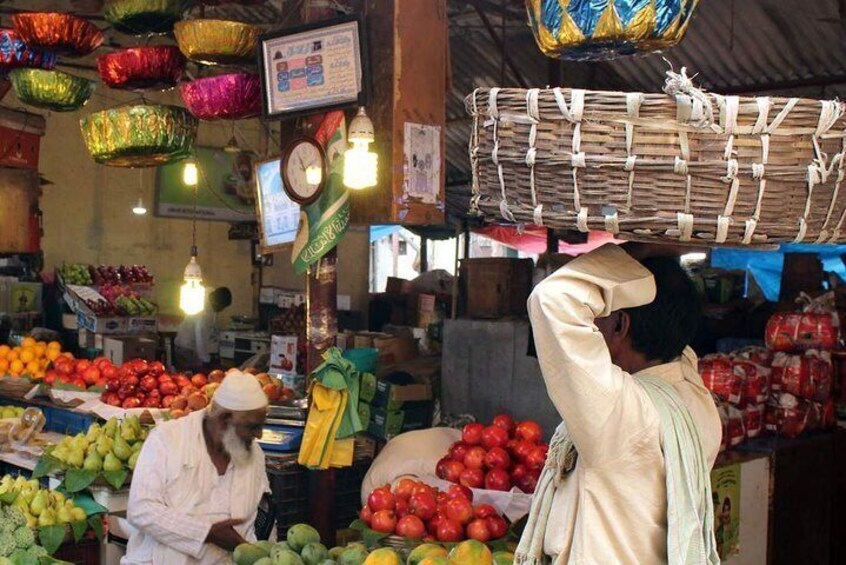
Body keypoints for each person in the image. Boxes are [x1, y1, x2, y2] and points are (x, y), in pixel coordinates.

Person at [517, 243, 722, 564]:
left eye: (600, 316)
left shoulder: (623, 413)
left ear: (619, 325)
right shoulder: (691, 391)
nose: (592, 325)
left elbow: (552, 299)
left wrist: (631, 250)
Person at [122, 372, 269, 565]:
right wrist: (206, 533)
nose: (259, 434)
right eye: (252, 427)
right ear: (225, 419)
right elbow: (140, 509)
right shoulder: (167, 439)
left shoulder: (254, 454)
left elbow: (262, 515)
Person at [174, 287, 232, 371]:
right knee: (190, 377)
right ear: (215, 302)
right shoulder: (203, 313)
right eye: (221, 307)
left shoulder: (207, 292)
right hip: (187, 348)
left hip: (187, 345)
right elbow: (200, 337)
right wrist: (206, 360)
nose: (221, 310)